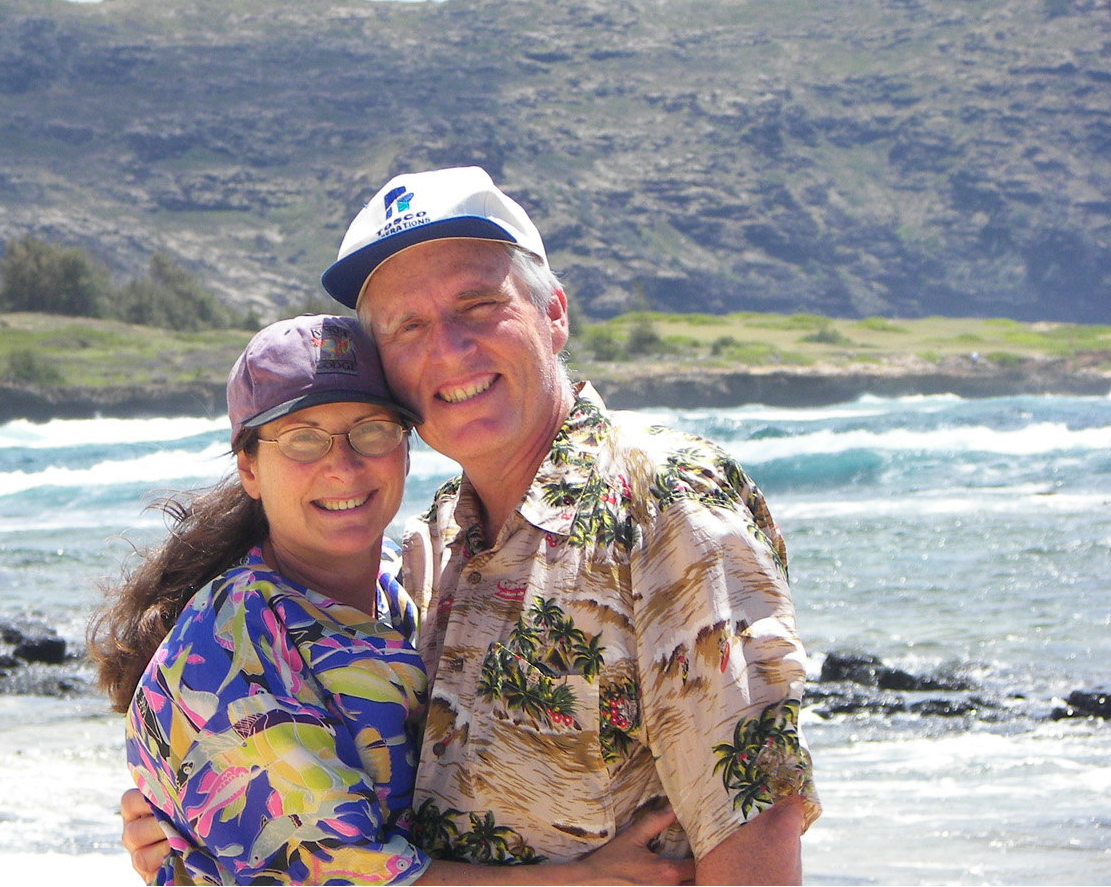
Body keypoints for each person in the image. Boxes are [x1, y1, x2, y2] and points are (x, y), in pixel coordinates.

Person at [125, 166, 819, 883]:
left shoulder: (662, 498)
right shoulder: (432, 549)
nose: (449, 349)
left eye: (479, 305)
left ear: (554, 312)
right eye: (408, 326)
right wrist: (193, 829)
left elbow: (753, 813)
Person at [94, 313, 693, 886]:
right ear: (250, 467)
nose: (343, 466)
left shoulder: (398, 597)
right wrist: (583, 881)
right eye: (303, 440)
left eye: (372, 430)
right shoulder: (233, 646)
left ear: (406, 446)